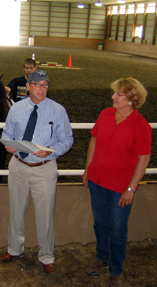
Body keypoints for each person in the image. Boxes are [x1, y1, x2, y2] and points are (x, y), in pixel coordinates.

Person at [0, 70, 74, 276]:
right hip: (18, 165)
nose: (41, 89)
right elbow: (7, 132)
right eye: (37, 85)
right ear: (28, 85)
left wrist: (52, 151)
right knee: (16, 210)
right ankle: (14, 249)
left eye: (45, 85)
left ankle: (47, 256)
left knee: (45, 214)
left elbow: (67, 139)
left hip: (44, 168)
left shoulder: (58, 111)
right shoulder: (16, 108)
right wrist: (8, 146)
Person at [82, 78, 151, 287]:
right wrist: (88, 169)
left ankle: (116, 268)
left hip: (121, 188)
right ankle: (102, 258)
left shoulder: (142, 126)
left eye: (118, 94)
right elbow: (93, 140)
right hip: (97, 181)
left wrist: (131, 188)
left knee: (118, 228)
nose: (113, 97)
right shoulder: (105, 114)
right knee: (100, 222)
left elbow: (143, 159)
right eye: (114, 93)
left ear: (131, 99)